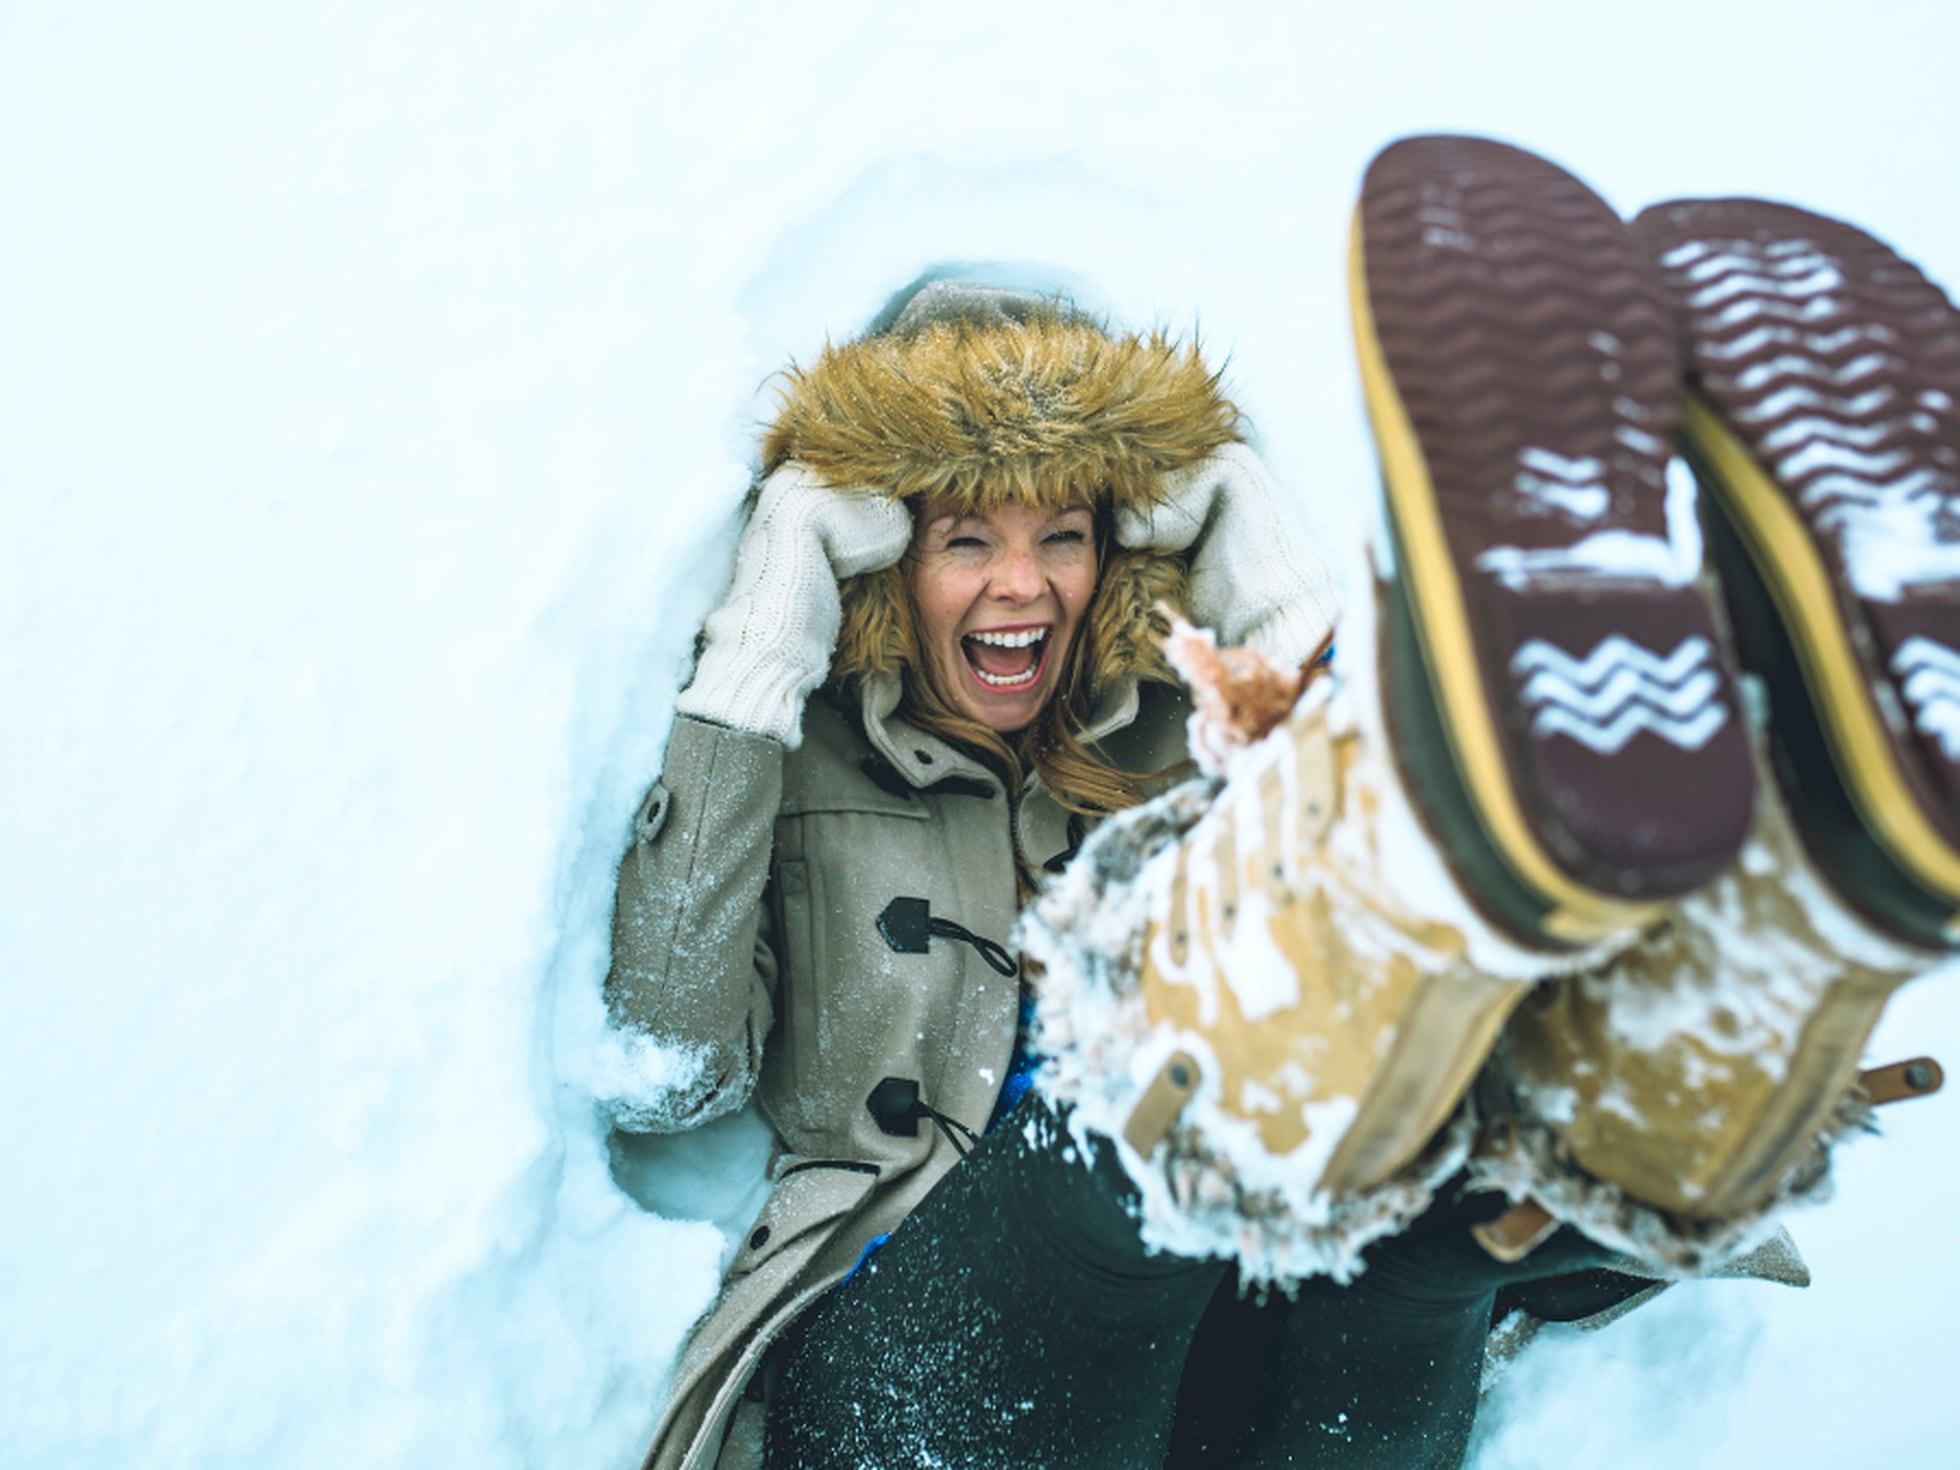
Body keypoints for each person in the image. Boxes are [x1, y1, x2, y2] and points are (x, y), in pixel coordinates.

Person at [603, 135, 1957, 1470]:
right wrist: (764, 643)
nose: (1023, 585)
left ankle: (1668, 1023)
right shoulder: (809, 762)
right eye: (967, 537)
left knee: (1428, 1238)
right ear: (886, 556)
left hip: (1219, 1358)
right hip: (918, 1355)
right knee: (1148, 1165)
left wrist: (1271, 594)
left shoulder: (1169, 737)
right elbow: (670, 1062)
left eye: (1063, 534)